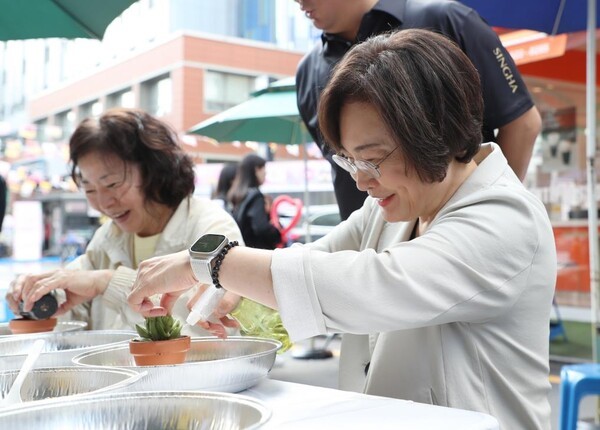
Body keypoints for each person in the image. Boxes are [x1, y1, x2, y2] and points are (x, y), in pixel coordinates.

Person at [128, 30, 556, 429]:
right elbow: (317, 261)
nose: (360, 180)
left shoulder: (505, 218)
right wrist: (237, 291)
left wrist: (211, 261)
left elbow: (368, 288)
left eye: (372, 159)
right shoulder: (398, 205)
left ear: (435, 132)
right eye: (349, 160)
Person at [5, 108, 245, 337]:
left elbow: (214, 329)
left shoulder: (212, 231)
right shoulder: (107, 238)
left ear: (154, 171)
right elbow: (72, 311)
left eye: (112, 184)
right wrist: (38, 297)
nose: (103, 202)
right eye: (89, 188)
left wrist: (110, 283)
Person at [295, 0, 542, 220]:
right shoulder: (308, 71)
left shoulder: (448, 21)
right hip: (368, 243)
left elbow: (523, 123)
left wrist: (489, 210)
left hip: (458, 231)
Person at [228, 154, 281, 250]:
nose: (265, 175)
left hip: (244, 250)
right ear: (256, 170)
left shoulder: (239, 195)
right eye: (264, 171)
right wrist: (277, 233)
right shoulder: (256, 196)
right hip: (259, 252)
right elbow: (261, 228)